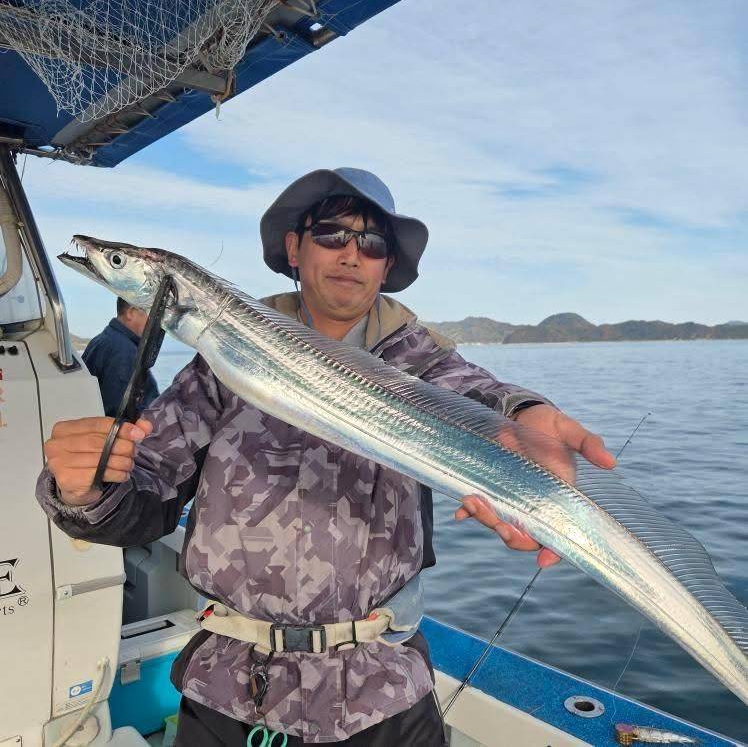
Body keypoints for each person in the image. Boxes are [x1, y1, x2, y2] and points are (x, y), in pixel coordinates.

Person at [37, 168, 615, 746]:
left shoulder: (422, 363)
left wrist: (525, 412)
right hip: (232, 687)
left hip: (383, 690)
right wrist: (85, 489)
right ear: (295, 247)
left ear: (387, 265)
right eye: (332, 233)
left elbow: (481, 396)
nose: (351, 253)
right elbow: (144, 490)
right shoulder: (220, 361)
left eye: (372, 242)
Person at [81, 298, 159, 417]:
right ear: (131, 312)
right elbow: (120, 414)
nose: (155, 323)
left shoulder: (101, 340)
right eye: (151, 314)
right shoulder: (124, 352)